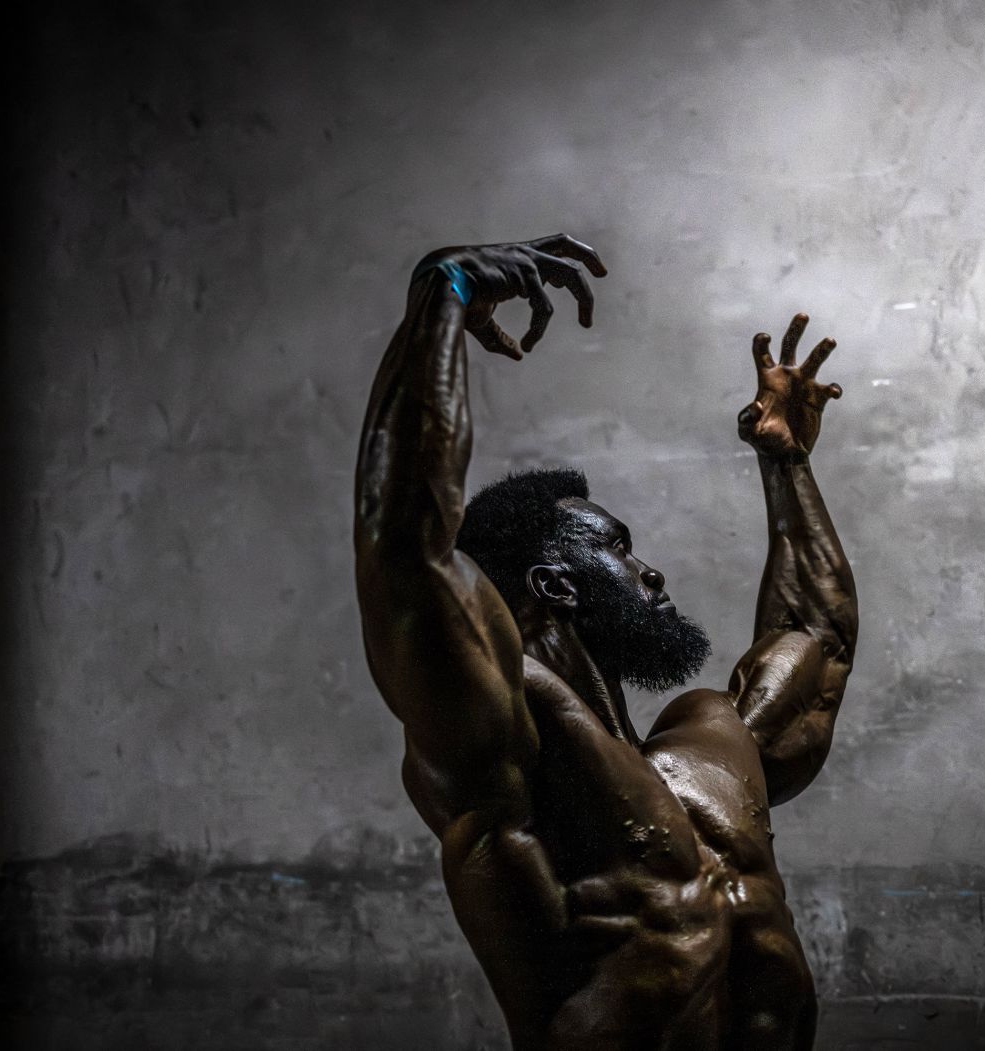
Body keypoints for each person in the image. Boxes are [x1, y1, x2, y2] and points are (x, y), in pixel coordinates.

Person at [354, 234, 857, 1050]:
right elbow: (406, 549)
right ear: (555, 585)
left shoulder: (713, 739)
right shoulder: (514, 742)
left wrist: (786, 464)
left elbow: (816, 638)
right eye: (620, 549)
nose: (651, 572)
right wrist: (439, 296)